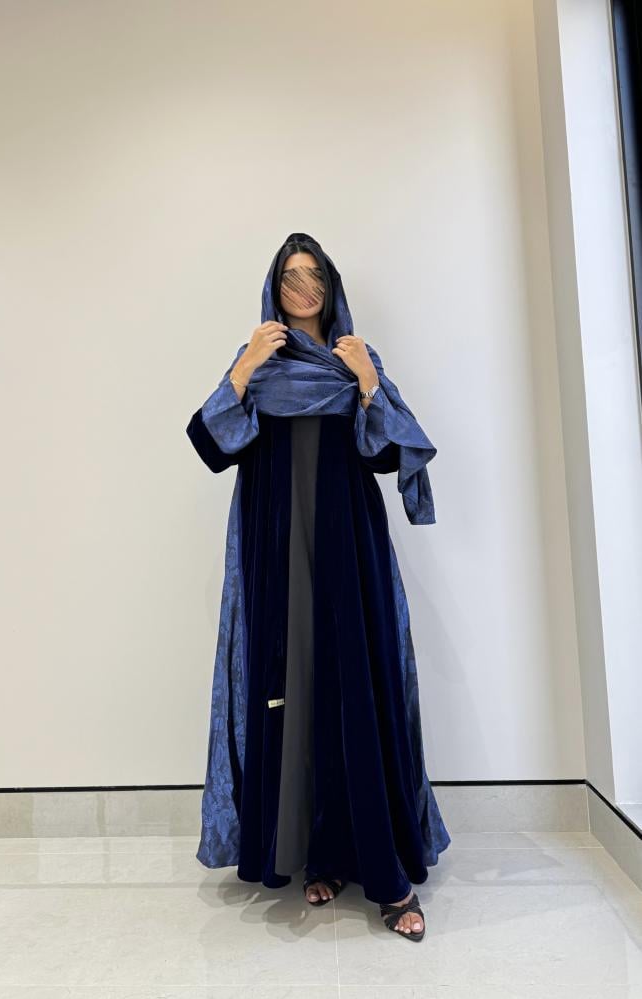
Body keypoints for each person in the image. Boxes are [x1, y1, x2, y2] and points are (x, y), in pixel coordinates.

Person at [186, 232, 450, 941]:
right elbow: (210, 444)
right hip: (276, 555)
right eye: (289, 277)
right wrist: (244, 365)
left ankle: (388, 878)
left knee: (356, 692)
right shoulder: (258, 363)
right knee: (290, 694)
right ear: (274, 288)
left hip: (346, 551)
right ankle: (315, 855)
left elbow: (392, 455)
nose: (302, 289)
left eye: (313, 277)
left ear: (329, 288)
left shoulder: (353, 357)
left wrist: (366, 382)